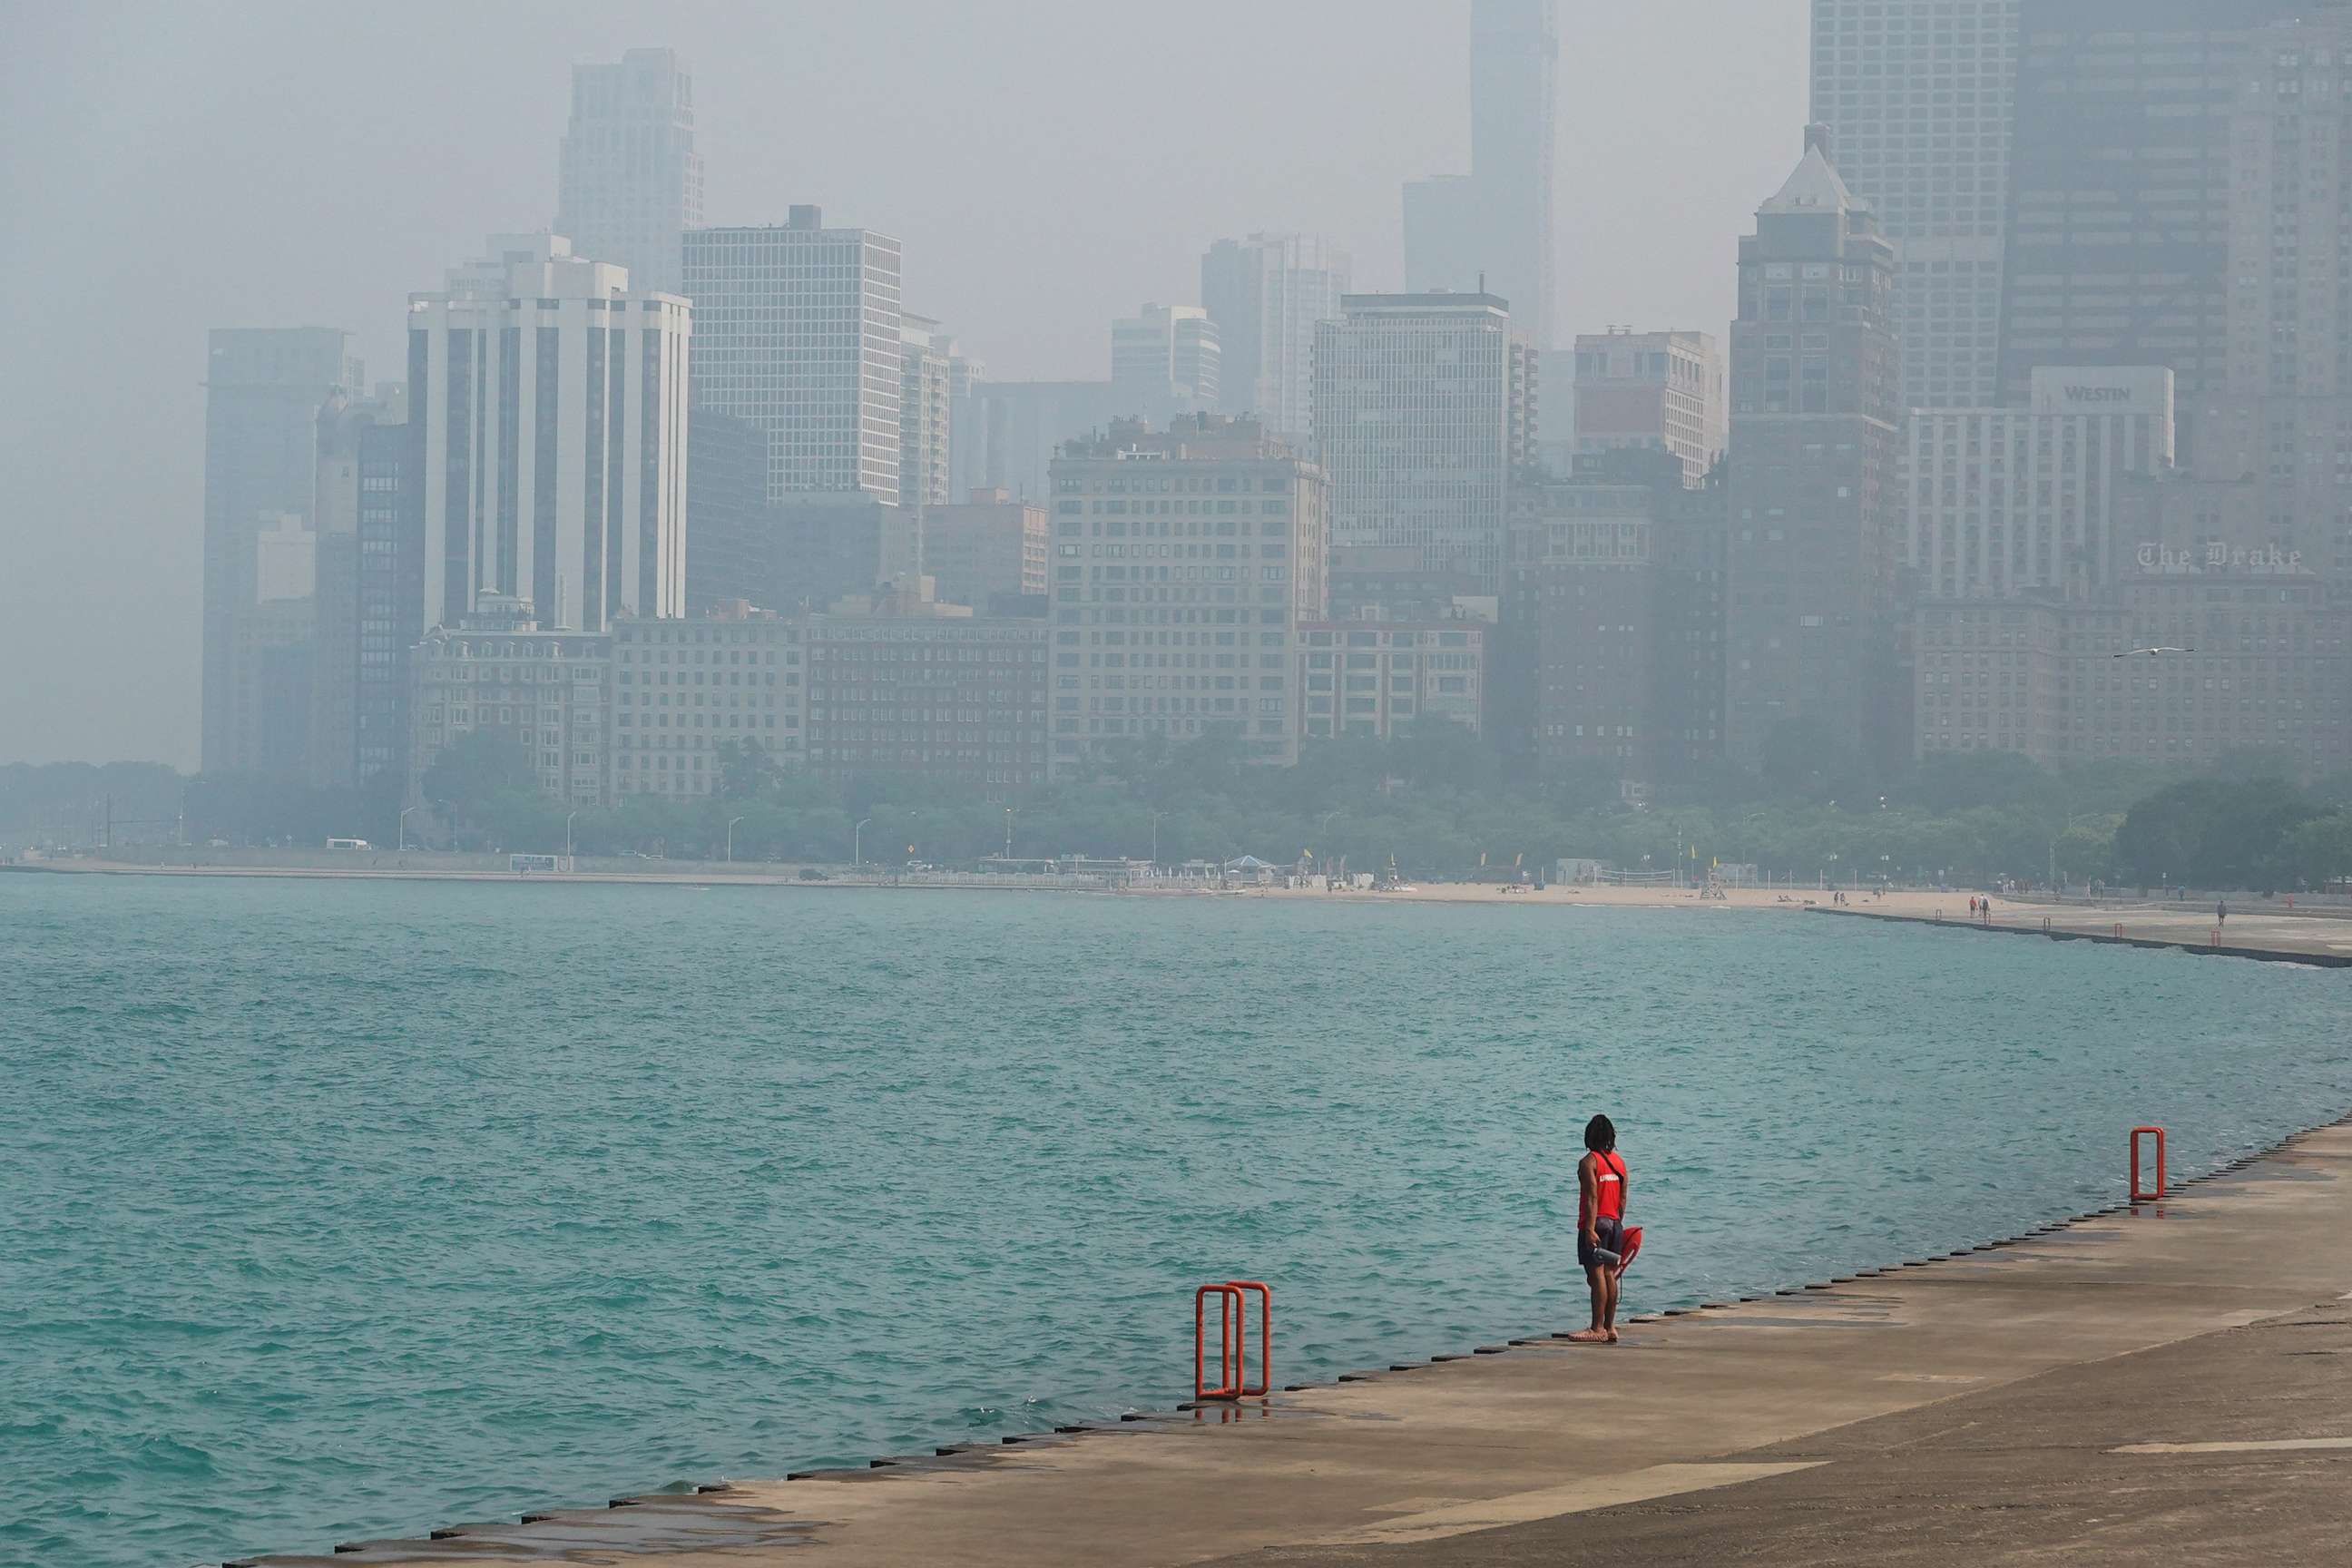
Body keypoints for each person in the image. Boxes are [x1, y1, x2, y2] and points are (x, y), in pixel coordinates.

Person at [1566, 1114, 1629, 1344]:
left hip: (1596, 1223)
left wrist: (1590, 1229)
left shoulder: (1588, 1162)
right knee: (1610, 1273)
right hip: (1614, 1223)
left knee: (1596, 1274)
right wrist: (1618, 1224)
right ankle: (1610, 1327)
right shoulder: (1620, 1163)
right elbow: (1622, 1199)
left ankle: (1596, 1328)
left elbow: (1592, 1198)